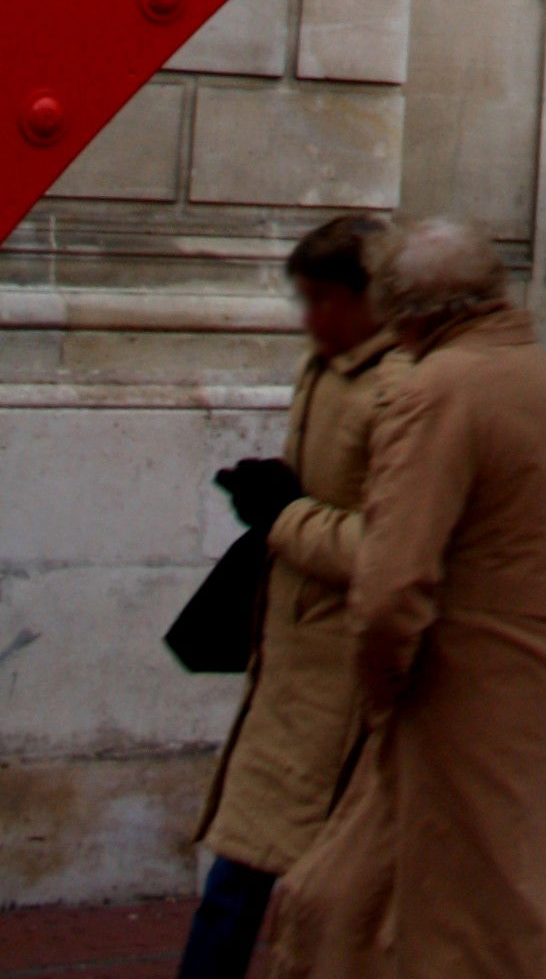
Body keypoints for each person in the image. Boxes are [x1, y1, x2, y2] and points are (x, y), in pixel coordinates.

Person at [271, 219, 546, 979]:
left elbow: (392, 586)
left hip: (455, 699)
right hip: (529, 691)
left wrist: (382, 688)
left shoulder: (440, 391)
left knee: (447, 927)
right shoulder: (545, 382)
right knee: (380, 901)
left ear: (413, 313)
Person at [179, 216, 396, 979]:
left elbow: (394, 552)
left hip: (348, 686)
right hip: (292, 665)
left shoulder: (399, 389)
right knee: (239, 883)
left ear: (366, 297)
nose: (308, 318)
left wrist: (283, 514)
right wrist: (273, 493)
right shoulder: (329, 368)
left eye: (320, 299)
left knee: (270, 893)